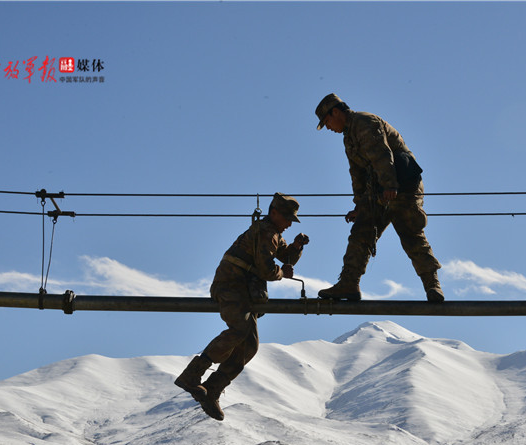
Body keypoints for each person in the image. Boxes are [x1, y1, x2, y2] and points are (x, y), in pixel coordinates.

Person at [175, 193, 309, 421]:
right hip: (231, 285)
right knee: (240, 329)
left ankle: (212, 390)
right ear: (274, 213)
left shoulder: (273, 234)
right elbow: (268, 270)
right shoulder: (266, 232)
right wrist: (282, 273)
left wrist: (296, 247)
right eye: (287, 218)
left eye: (291, 220)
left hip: (243, 291)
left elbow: (285, 257)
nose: (288, 224)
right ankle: (191, 375)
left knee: (248, 346)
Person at [314, 93, 444, 302]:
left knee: (411, 234)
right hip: (380, 190)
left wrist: (390, 185)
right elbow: (357, 174)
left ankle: (433, 286)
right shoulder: (348, 137)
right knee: (361, 232)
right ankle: (349, 284)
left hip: (402, 186)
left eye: (327, 121)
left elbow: (382, 155)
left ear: (335, 112)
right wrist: (359, 207)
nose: (328, 127)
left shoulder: (364, 122)